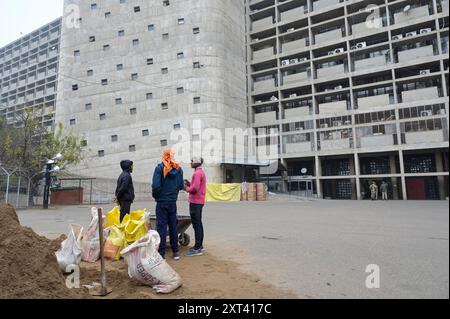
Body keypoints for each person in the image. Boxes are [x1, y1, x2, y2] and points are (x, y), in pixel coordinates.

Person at [152, 149, 184, 260]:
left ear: (164, 156)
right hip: (172, 202)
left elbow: (156, 186)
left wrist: (157, 197)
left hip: (161, 202)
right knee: (173, 226)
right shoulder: (178, 169)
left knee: (161, 227)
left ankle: (161, 254)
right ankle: (175, 252)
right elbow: (181, 186)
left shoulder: (160, 168)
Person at [184, 156, 207, 257]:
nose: (191, 163)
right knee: (198, 223)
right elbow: (195, 185)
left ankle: (197, 248)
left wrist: (185, 188)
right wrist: (189, 183)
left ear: (196, 163)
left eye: (192, 161)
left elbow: (195, 189)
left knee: (196, 224)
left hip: (195, 202)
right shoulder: (200, 172)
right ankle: (199, 245)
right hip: (199, 201)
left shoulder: (197, 173)